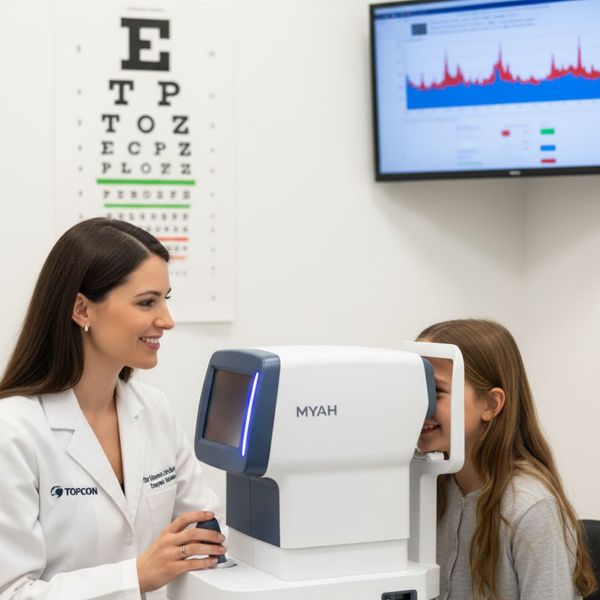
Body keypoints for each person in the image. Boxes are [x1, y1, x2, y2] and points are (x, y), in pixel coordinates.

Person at [0, 218, 225, 599]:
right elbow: (12, 591)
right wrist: (134, 577)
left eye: (165, 300)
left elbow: (204, 534)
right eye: (146, 302)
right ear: (82, 309)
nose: (166, 321)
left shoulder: (154, 409)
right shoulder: (14, 431)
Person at [416, 319, 596, 600]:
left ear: (490, 404)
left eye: (435, 392)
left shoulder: (530, 508)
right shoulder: (431, 488)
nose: (420, 404)